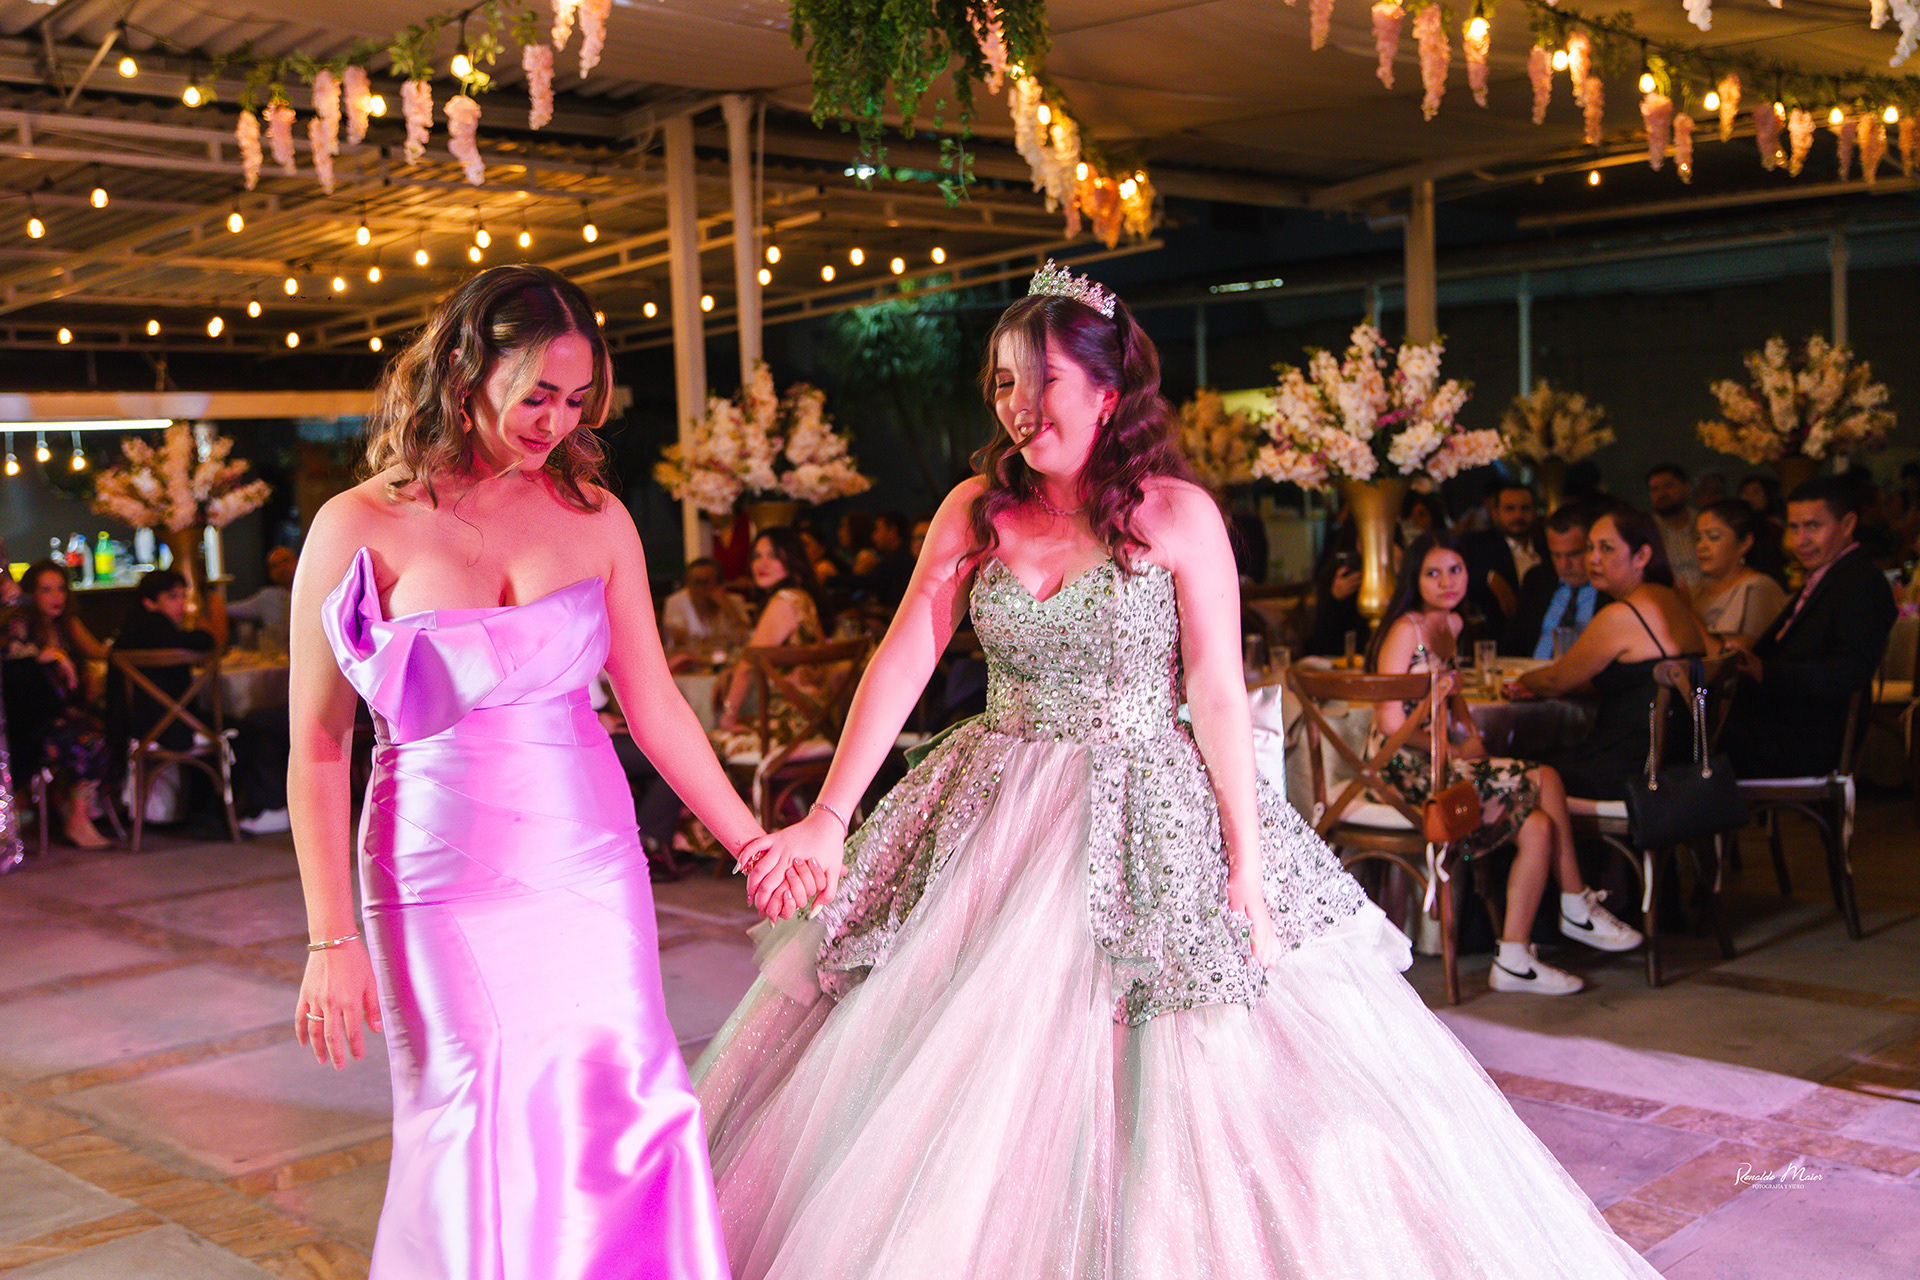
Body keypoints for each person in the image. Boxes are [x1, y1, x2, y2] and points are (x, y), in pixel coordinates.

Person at [693, 264, 1663, 1279]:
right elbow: (905, 655)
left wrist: (1246, 857)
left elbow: (1214, 690)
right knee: (930, 1045)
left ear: (1109, 393)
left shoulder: (1178, 514)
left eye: (1044, 379)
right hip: (992, 797)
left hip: (1144, 800)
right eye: (1003, 383)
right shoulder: (975, 510)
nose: (1019, 405)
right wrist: (830, 815)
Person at [287, 265, 760, 1278]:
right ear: (466, 371)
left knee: (627, 1101)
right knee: (470, 1116)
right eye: (538, 393)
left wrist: (751, 841)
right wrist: (330, 937)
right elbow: (319, 746)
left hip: (589, 862)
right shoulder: (355, 525)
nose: (558, 421)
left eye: (578, 400)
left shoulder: (598, 517)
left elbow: (655, 705)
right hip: (433, 875)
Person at [1368, 533, 1642, 994]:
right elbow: (1388, 722)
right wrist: (1450, 746)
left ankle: (1513, 958)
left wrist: (1470, 736)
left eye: (1455, 570)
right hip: (1401, 769)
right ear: (1414, 579)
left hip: (1441, 764)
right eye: (1433, 573)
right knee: (1546, 777)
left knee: (1538, 827)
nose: (1447, 582)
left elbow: (1450, 691)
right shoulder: (1406, 629)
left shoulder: (1450, 623)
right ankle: (1576, 903)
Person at [1509, 508, 1706, 801]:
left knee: (1512, 768)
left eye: (1607, 548)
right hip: (1673, 763)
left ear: (1641, 556)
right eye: (1590, 548)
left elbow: (1555, 680)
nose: (1593, 559)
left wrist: (1522, 680)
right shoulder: (1669, 598)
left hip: (1630, 770)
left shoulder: (1623, 614)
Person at [1719, 476, 1898, 780]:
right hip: (1780, 724)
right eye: (1794, 528)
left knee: (1686, 734)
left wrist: (1766, 672)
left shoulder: (1861, 582)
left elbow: (1849, 672)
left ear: (1847, 524)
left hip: (1807, 737)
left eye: (1813, 526)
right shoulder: (1827, 576)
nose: (1800, 541)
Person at [1, 561, 111, 847]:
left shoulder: (61, 626)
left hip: (54, 718)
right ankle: (77, 818)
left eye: (61, 589)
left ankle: (76, 810)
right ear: (31, 594)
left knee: (109, 726)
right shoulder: (20, 623)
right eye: (46, 590)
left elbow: (95, 654)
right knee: (89, 739)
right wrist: (51, 655)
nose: (56, 597)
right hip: (26, 727)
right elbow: (11, 657)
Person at [712, 528, 828, 755]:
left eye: (773, 556)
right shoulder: (802, 597)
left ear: (792, 559)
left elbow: (747, 667)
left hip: (790, 729)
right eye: (757, 556)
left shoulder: (783, 601)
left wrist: (728, 718)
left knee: (703, 747)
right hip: (816, 723)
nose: (761, 564)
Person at [1504, 502, 1602, 659]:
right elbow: (1513, 645)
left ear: (1593, 548)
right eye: (1556, 555)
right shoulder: (1537, 580)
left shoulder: (1610, 589)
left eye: (1573, 554)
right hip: (1532, 671)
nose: (1564, 565)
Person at [1691, 499, 1787, 646]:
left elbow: (1732, 655)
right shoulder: (1698, 589)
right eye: (1698, 538)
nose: (1701, 546)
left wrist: (1687, 612)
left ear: (1745, 542)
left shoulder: (1757, 587)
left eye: (1713, 537)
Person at [1458, 480, 1541, 635]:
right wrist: (1489, 577)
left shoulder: (1548, 548)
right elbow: (1461, 572)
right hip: (1499, 635)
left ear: (1535, 512)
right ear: (1495, 514)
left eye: (1525, 508)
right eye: (1510, 509)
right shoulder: (1477, 544)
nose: (1518, 515)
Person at [662, 556, 753, 670]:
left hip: (728, 667)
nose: (701, 588)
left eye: (706, 582)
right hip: (691, 669)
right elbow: (675, 639)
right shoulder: (676, 602)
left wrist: (728, 607)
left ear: (719, 583)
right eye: (696, 582)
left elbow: (747, 637)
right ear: (687, 584)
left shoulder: (734, 601)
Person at [227, 546, 296, 652]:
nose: (281, 568)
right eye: (274, 566)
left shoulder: (314, 593)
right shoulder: (267, 597)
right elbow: (228, 610)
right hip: (280, 658)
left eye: (285, 561)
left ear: (298, 562)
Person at [1645, 462, 1701, 590]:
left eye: (1668, 486)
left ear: (1687, 488)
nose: (1661, 494)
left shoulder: (1704, 523)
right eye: (1654, 489)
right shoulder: (1646, 529)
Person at [1737, 471, 1790, 585]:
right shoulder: (1740, 525)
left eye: (1756, 492)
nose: (1749, 497)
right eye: (1745, 492)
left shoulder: (1776, 524)